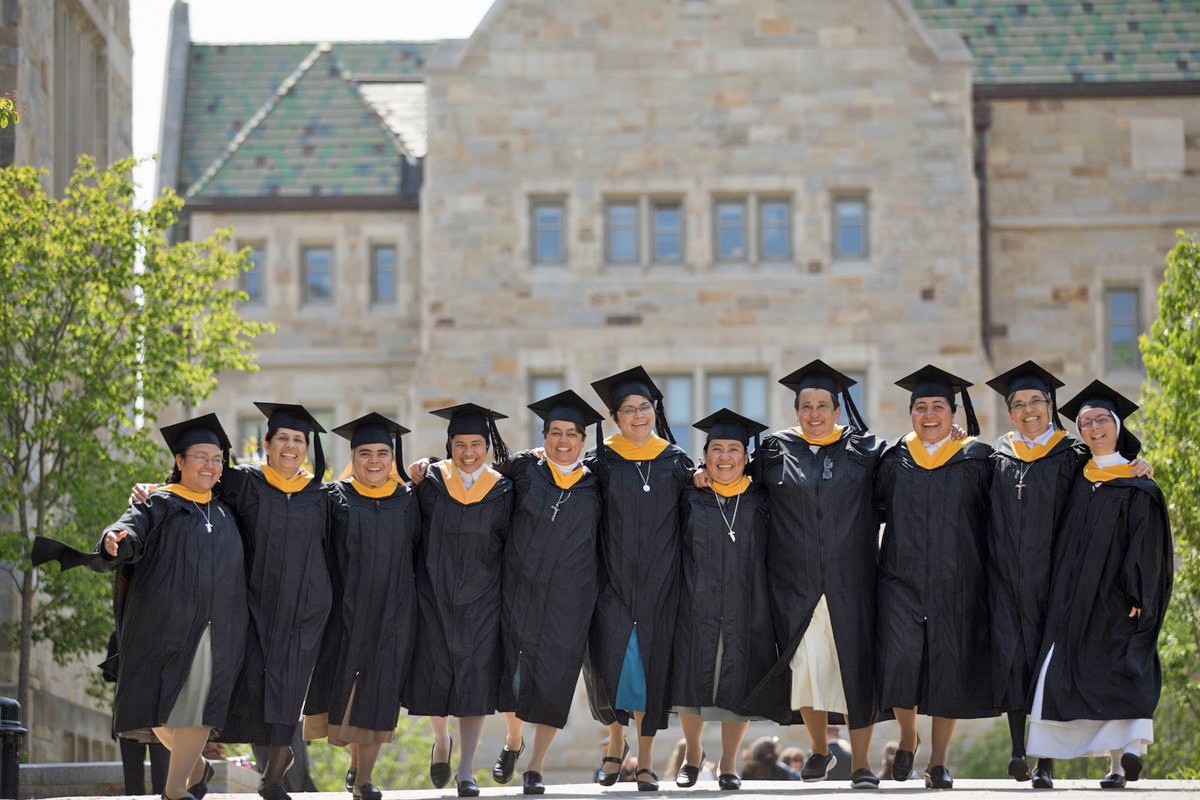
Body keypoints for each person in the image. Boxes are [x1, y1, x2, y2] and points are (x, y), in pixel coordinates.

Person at [33, 414, 249, 800]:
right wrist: (115, 539)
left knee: (198, 703)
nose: (210, 465)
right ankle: (197, 768)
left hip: (220, 625)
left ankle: (173, 789)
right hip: (164, 624)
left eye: (217, 459)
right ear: (180, 461)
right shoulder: (159, 503)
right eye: (201, 456)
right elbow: (128, 527)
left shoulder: (227, 511)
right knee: (157, 711)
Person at [130, 402, 333, 800]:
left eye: (298, 440)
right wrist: (152, 489)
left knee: (288, 689)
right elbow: (194, 484)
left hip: (304, 608)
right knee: (238, 689)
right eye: (283, 439)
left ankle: (275, 768)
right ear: (267, 443)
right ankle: (204, 761)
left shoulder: (323, 494)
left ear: (307, 449)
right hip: (249, 606)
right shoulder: (243, 482)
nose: (291, 446)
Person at [985, 363, 1153, 789]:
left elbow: (1115, 475)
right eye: (1018, 405)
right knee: (1026, 667)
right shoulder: (996, 456)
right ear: (1009, 413)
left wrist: (1140, 464)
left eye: (1036, 402)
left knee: (1070, 668)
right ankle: (1027, 752)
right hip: (1023, 581)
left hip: (1066, 587)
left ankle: (1062, 761)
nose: (1028, 411)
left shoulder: (1072, 456)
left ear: (1051, 405)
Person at [735, 361, 883, 790]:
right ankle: (819, 749)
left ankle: (861, 765)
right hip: (793, 584)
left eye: (822, 406)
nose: (814, 414)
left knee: (855, 670)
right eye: (806, 406)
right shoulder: (774, 450)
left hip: (852, 582)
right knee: (807, 668)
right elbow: (741, 487)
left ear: (837, 409)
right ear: (795, 409)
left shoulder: (865, 451)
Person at [1027, 381, 1173, 790]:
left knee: (1117, 674)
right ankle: (1045, 761)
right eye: (1086, 423)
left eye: (1101, 421)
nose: (1093, 428)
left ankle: (1120, 762)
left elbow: (1146, 547)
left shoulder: (1137, 483)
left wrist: (1139, 595)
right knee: (1054, 671)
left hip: (1115, 600)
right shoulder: (1074, 475)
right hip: (1070, 596)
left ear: (1117, 424)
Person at [875, 365, 996, 790]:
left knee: (949, 669)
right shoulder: (893, 459)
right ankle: (908, 735)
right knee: (900, 661)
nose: (929, 415)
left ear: (953, 412)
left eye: (938, 407)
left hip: (957, 581)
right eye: (921, 407)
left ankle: (940, 763)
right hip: (900, 579)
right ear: (910, 413)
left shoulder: (978, 460)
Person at [582, 366, 695, 792]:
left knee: (650, 671)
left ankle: (645, 760)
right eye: (628, 410)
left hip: (661, 584)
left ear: (654, 411)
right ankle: (615, 740)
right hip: (609, 581)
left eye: (644, 407)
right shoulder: (599, 461)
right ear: (615, 419)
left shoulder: (676, 461)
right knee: (611, 666)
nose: (638, 416)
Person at [490, 391, 604, 795]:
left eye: (571, 434)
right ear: (543, 436)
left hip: (571, 597)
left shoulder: (597, 481)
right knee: (511, 672)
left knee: (555, 679)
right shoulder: (523, 468)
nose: (563, 441)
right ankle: (513, 739)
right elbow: (477, 485)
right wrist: (430, 468)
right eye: (555, 432)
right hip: (519, 587)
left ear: (583, 441)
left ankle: (535, 767)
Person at [303, 413, 420, 800]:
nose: (374, 460)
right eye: (365, 452)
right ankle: (356, 766)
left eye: (383, 453)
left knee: (379, 690)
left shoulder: (408, 500)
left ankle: (365, 779)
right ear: (353, 456)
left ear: (393, 457)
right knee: (351, 688)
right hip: (345, 610)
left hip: (394, 610)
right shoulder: (335, 498)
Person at [405, 403, 514, 798]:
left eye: (476, 444)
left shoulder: (502, 488)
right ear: (448, 445)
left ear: (488, 445)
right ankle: (440, 739)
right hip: (433, 591)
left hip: (483, 598)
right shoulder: (431, 481)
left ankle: (466, 769)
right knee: (436, 672)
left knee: (474, 681)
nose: (468, 452)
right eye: (460, 444)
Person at [671, 408, 773, 791]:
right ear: (705, 455)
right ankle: (693, 753)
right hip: (695, 597)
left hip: (746, 600)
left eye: (734, 449)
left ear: (747, 457)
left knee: (739, 678)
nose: (725, 457)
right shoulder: (689, 497)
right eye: (717, 449)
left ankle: (729, 762)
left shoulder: (761, 499)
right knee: (691, 675)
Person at [104, 631, 169, 796]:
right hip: (158, 715)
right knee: (162, 781)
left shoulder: (120, 634)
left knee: (133, 784)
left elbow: (108, 675)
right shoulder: (165, 632)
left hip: (130, 714)